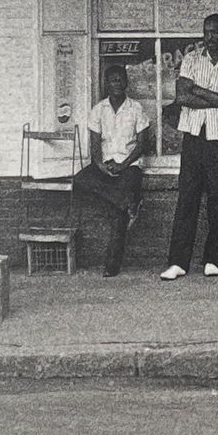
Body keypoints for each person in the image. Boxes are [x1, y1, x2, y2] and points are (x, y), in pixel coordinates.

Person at [161, 13, 218, 280]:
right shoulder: (191, 60)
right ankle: (178, 262)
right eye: (207, 32)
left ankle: (213, 259)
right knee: (187, 198)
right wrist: (217, 98)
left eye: (216, 32)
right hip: (194, 137)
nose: (211, 37)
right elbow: (182, 96)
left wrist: (202, 92)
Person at [73, 65, 150, 277]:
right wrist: (100, 165)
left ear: (126, 82)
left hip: (129, 167)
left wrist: (123, 165)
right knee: (80, 179)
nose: (117, 84)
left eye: (120, 80)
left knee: (117, 215)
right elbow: (95, 145)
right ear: (107, 84)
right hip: (105, 165)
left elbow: (142, 144)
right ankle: (128, 203)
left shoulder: (136, 109)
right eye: (113, 81)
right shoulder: (98, 110)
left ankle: (111, 266)